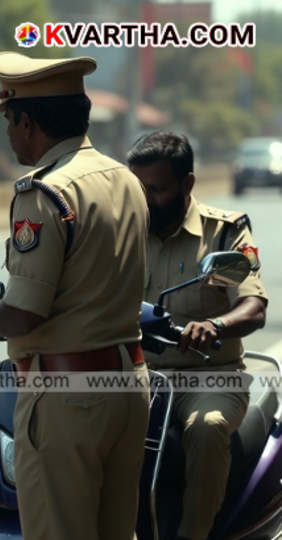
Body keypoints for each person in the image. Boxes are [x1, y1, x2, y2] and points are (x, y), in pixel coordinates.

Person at [0, 51, 151, 540]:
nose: (8, 133)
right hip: (129, 384)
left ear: (27, 122)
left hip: (67, 398)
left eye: (10, 121)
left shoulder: (44, 193)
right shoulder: (124, 179)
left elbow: (22, 313)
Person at [127, 132, 268, 540]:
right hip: (135, 374)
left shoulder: (224, 232)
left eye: (157, 189)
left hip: (208, 376)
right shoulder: (120, 232)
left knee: (207, 427)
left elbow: (252, 306)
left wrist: (216, 325)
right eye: (138, 189)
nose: (146, 199)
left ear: (187, 184)